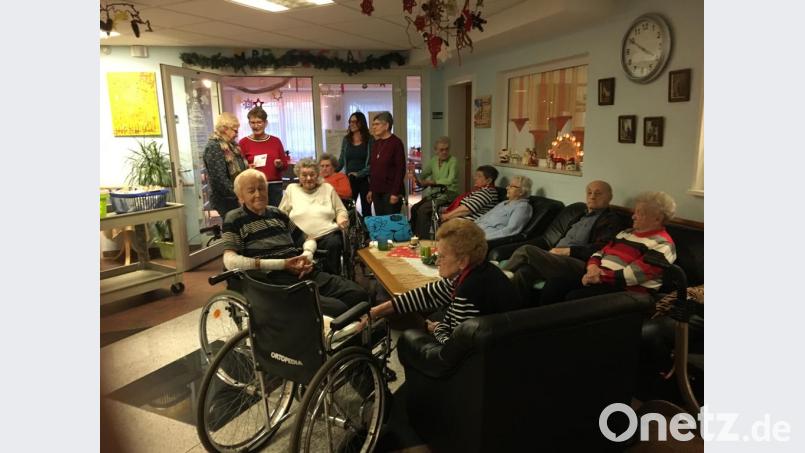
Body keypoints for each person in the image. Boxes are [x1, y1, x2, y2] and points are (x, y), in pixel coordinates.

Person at [222, 169, 367, 317]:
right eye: (251, 191)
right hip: (271, 282)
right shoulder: (234, 219)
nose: (258, 194)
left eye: (261, 188)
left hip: (301, 271)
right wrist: (283, 264)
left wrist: (307, 256)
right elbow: (230, 261)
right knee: (337, 309)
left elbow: (308, 239)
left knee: (359, 295)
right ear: (240, 197)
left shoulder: (278, 214)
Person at [366, 219, 521, 344]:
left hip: (484, 356)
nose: (437, 261)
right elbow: (428, 293)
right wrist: (375, 312)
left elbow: (456, 345)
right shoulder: (478, 269)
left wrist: (435, 329)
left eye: (442, 256)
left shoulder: (468, 291)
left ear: (463, 260)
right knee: (408, 312)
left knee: (408, 335)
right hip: (483, 339)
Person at [540, 191, 677, 305]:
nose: (633, 216)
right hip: (601, 279)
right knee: (555, 283)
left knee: (576, 297)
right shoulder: (627, 233)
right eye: (635, 211)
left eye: (640, 213)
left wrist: (599, 277)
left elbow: (633, 276)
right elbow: (599, 253)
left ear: (657, 219)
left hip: (628, 291)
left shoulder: (663, 244)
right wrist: (592, 267)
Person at [501, 180, 622, 302]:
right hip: (555, 258)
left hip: (579, 262)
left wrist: (568, 251)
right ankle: (514, 312)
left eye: (598, 193)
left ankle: (500, 276)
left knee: (527, 250)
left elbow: (602, 247)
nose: (592, 196)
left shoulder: (610, 219)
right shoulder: (580, 215)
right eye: (589, 193)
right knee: (524, 272)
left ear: (609, 197)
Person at [278, 159, 349, 275]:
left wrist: (341, 218)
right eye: (304, 175)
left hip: (326, 234)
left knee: (334, 243)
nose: (309, 178)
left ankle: (330, 277)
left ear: (317, 174)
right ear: (298, 176)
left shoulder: (327, 188)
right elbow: (281, 214)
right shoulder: (292, 189)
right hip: (298, 236)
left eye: (312, 174)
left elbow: (340, 210)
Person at [409, 136, 459, 239]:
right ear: (436, 151)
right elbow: (424, 174)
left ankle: (424, 238)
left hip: (448, 194)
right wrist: (414, 175)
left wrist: (432, 182)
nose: (444, 152)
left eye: (446, 149)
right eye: (441, 150)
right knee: (414, 208)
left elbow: (450, 180)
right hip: (434, 194)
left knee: (423, 210)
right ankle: (413, 235)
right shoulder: (433, 160)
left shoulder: (453, 161)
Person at [238, 106, 289, 207]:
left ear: (265, 123)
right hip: (253, 186)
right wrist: (248, 169)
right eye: (252, 122)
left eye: (259, 122)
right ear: (249, 123)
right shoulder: (243, 143)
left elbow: (285, 166)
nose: (256, 126)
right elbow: (239, 168)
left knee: (274, 217)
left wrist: (280, 164)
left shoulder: (276, 141)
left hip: (274, 186)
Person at [203, 112, 249, 221]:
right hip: (226, 198)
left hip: (234, 196)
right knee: (233, 229)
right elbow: (219, 179)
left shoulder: (232, 145)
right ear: (224, 128)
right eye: (235, 130)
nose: (237, 134)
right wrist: (239, 194)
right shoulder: (214, 146)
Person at [367, 111, 406, 216]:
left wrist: (395, 193)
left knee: (390, 225)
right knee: (381, 223)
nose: (373, 127)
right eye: (373, 125)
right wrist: (371, 189)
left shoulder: (396, 143)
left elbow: (400, 169)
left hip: (391, 191)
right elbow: (373, 169)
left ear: (386, 125)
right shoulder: (376, 143)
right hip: (376, 191)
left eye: (377, 124)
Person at [474, 175, 533, 240]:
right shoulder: (503, 203)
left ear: (521, 192)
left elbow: (511, 230)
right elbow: (484, 217)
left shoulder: (522, 207)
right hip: (475, 231)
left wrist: (482, 238)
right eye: (508, 185)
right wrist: (470, 227)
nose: (507, 188)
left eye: (511, 186)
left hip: (486, 237)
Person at [337, 112, 373, 214]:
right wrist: (330, 171)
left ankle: (366, 229)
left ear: (361, 123)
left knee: (366, 210)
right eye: (350, 122)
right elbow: (341, 161)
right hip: (350, 180)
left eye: (354, 121)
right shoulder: (346, 139)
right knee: (348, 210)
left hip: (366, 180)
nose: (351, 124)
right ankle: (351, 230)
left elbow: (373, 163)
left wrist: (359, 173)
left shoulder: (370, 139)